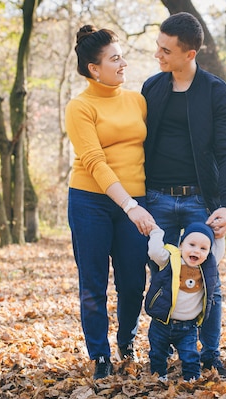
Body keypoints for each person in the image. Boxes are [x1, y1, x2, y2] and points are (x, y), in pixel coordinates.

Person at [141, 12, 226, 379]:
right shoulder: (152, 87)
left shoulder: (217, 93)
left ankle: (211, 354)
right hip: (157, 200)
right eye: (158, 46)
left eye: (166, 50)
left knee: (207, 282)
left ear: (190, 54)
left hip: (201, 201)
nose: (158, 55)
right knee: (162, 281)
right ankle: (163, 355)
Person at [65, 25, 157, 380]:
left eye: (122, 56)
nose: (123, 64)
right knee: (93, 282)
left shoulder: (137, 100)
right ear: (94, 68)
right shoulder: (81, 106)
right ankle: (100, 355)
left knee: (133, 281)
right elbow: (94, 161)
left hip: (135, 201)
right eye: (115, 58)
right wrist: (128, 205)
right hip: (91, 201)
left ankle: (126, 339)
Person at [145, 222, 225, 382]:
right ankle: (159, 377)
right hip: (162, 323)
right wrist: (155, 232)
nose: (196, 250)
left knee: (190, 355)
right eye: (192, 244)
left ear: (209, 252)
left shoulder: (207, 267)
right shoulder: (170, 259)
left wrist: (220, 237)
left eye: (203, 248)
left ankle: (191, 379)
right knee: (157, 354)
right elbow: (154, 252)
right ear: (181, 245)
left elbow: (219, 252)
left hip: (188, 326)